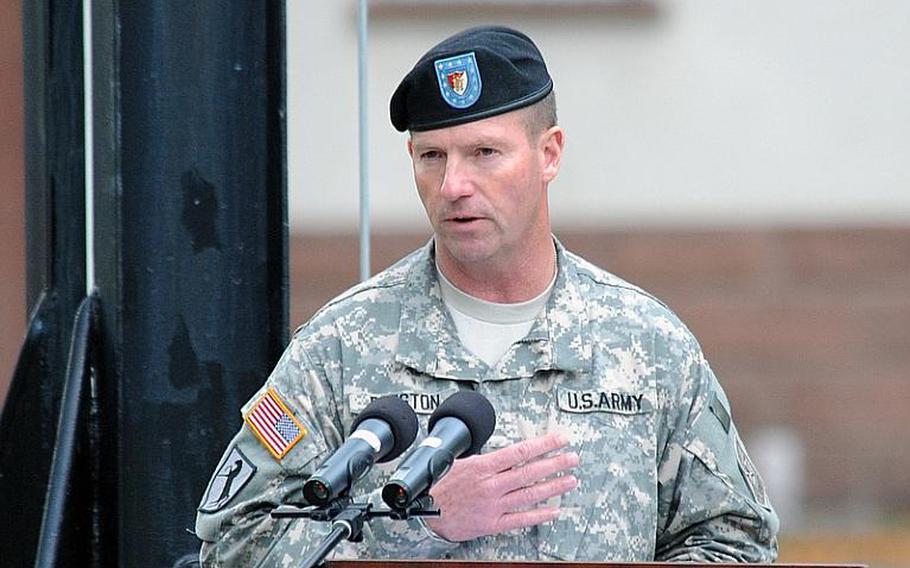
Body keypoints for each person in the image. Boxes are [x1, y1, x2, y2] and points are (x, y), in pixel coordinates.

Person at [196, 25, 779, 565]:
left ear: (549, 154)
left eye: (484, 153)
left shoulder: (647, 344)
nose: (453, 185)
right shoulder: (341, 345)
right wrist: (419, 529)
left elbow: (736, 541)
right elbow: (233, 541)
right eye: (432, 157)